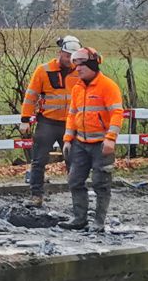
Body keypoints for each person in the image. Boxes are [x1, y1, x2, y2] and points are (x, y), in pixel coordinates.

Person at [63, 45, 123, 232]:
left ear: (93, 66)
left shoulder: (108, 86)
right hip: (80, 143)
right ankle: (79, 218)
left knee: (101, 183)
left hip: (101, 145)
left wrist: (111, 138)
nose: (78, 69)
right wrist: (67, 138)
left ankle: (99, 221)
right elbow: (73, 114)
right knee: (75, 181)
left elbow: (117, 113)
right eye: (77, 65)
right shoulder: (77, 88)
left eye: (82, 65)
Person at [19, 35, 81, 205]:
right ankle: (36, 195)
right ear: (60, 52)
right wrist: (25, 119)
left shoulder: (80, 71)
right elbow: (31, 96)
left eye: (73, 57)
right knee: (39, 160)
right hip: (47, 122)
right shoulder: (43, 70)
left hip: (70, 124)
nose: (70, 60)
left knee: (74, 161)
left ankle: (78, 197)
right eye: (67, 55)